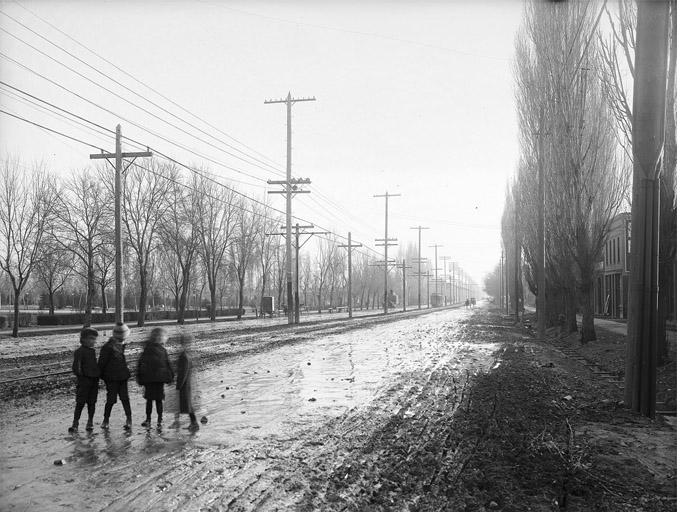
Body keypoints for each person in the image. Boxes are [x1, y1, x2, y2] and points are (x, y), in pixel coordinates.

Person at [98, 322, 132, 430]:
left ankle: (127, 419)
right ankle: (107, 420)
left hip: (121, 377)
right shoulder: (108, 347)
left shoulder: (117, 345)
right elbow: (101, 364)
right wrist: (103, 376)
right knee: (113, 399)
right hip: (112, 378)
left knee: (122, 399)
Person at [137, 327, 174, 427]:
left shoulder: (147, 349)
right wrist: (170, 376)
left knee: (150, 400)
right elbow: (167, 364)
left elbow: (141, 364)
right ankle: (159, 419)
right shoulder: (161, 350)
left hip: (150, 380)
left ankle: (150, 419)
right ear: (160, 338)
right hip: (158, 379)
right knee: (158, 400)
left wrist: (140, 378)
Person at [68, 327, 101, 433]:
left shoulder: (92, 351)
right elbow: (76, 367)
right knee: (80, 402)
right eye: (91, 339)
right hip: (84, 381)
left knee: (92, 402)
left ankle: (90, 422)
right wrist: (81, 375)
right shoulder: (80, 351)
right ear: (84, 339)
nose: (93, 341)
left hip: (93, 381)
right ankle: (75, 423)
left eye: (94, 339)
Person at [174, 334, 199, 431]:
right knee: (187, 404)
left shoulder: (184, 356)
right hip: (188, 383)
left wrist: (179, 386)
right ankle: (192, 423)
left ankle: (194, 423)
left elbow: (183, 372)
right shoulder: (188, 354)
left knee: (187, 404)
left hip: (184, 384)